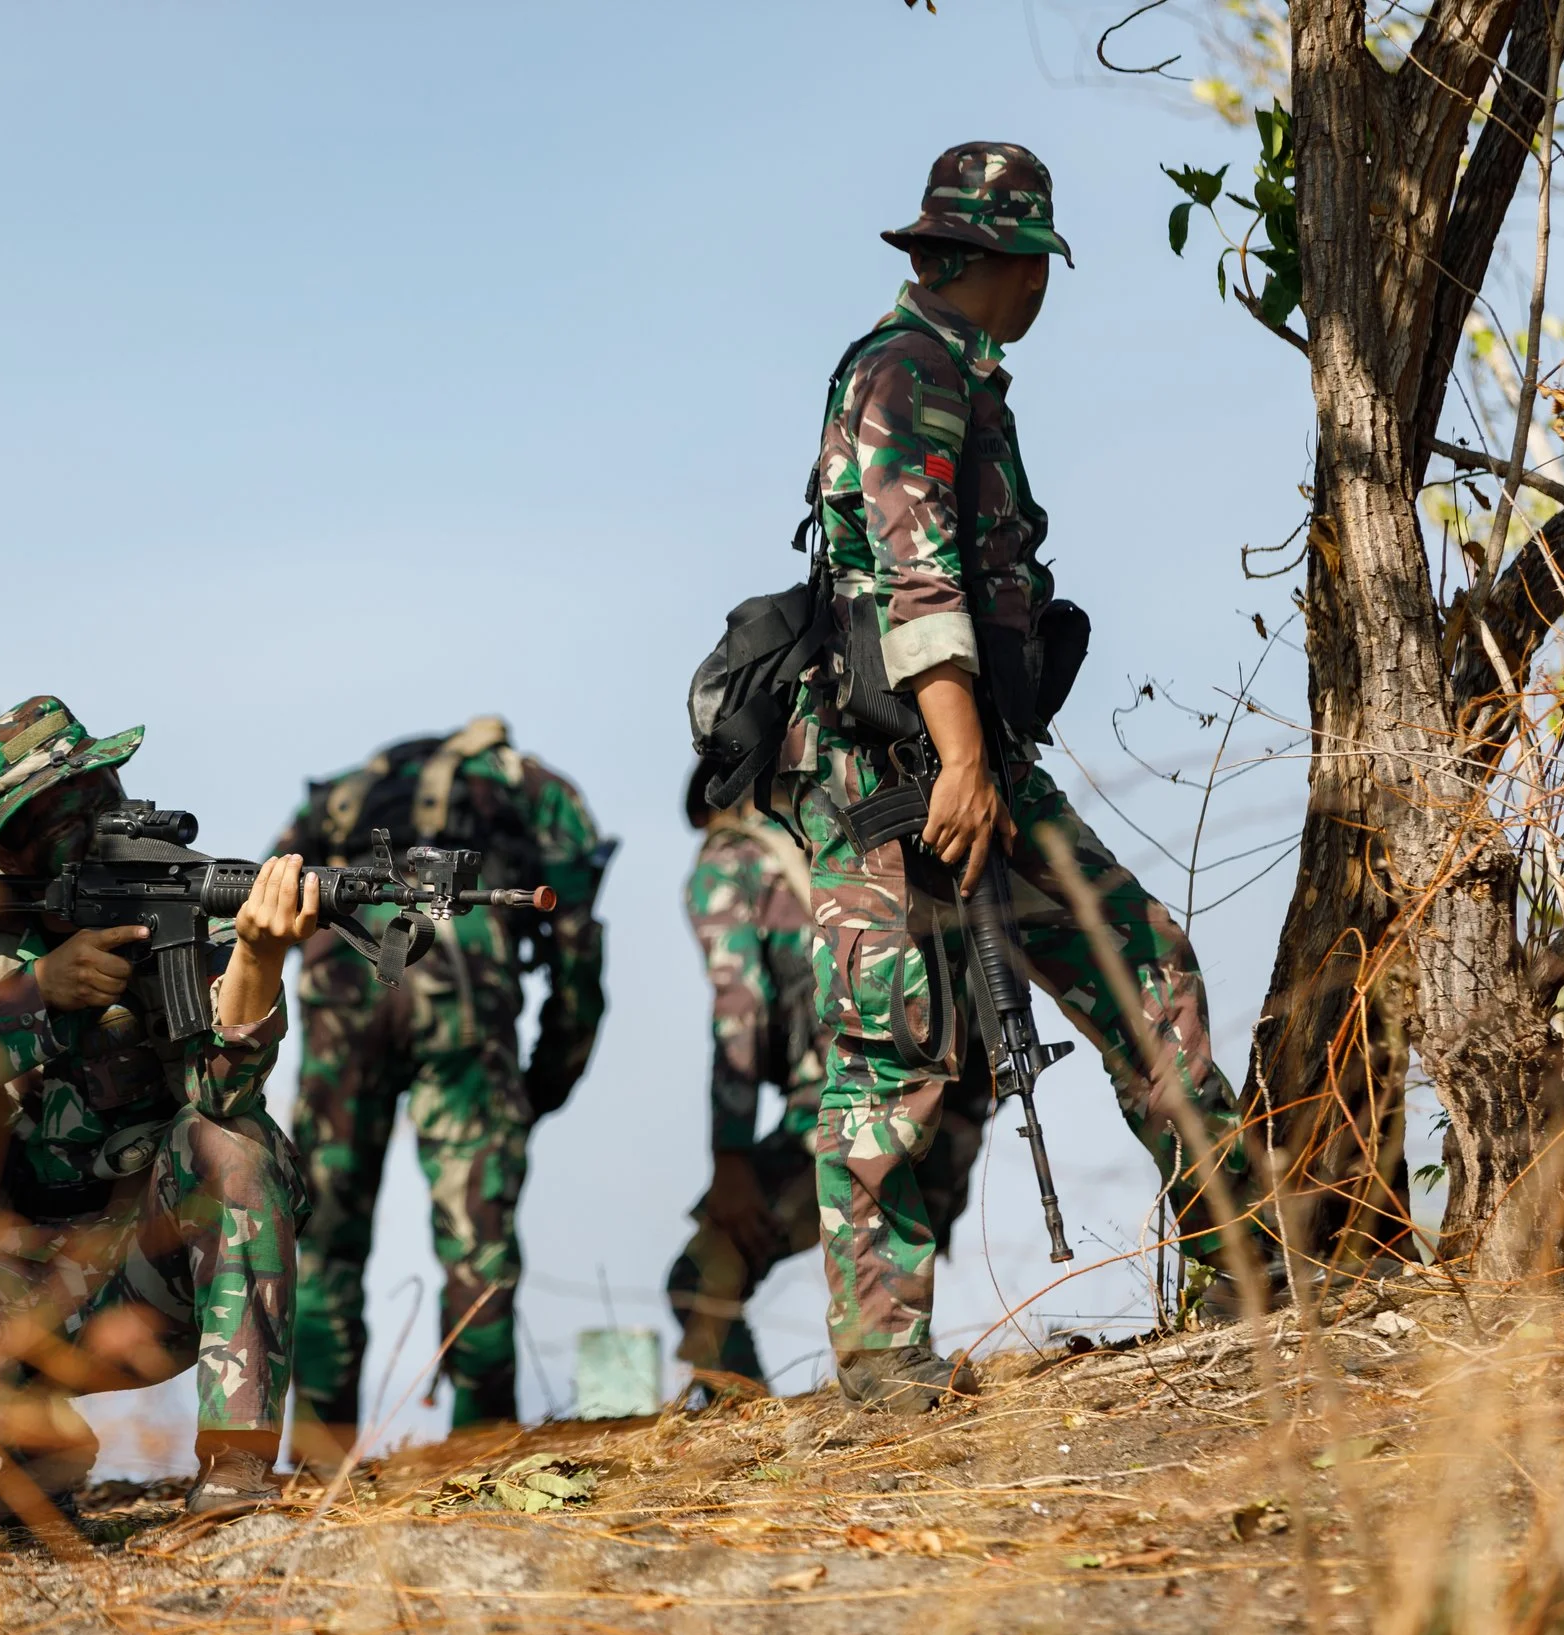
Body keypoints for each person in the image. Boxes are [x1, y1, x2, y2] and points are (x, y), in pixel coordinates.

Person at [771, 142, 1255, 1413]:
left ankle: (1239, 1276)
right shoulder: (909, 371)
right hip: (900, 771)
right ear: (986, 262)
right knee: (897, 1056)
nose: (1041, 291)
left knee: (1144, 964)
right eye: (1032, 264)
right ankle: (881, 1368)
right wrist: (967, 757)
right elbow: (913, 572)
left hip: (968, 756)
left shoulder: (954, 371)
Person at [0, 696, 317, 1521]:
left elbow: (227, 1102)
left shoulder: (174, 913)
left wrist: (259, 958)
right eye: (41, 820)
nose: (76, 831)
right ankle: (43, 1447)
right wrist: (39, 998)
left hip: (150, 1270)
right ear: (8, 848)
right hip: (16, 1278)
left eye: (90, 799)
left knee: (234, 1147)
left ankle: (237, 1463)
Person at [273, 718, 610, 1443]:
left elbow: (266, 902)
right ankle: (479, 1448)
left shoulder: (341, 794)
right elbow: (579, 947)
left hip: (345, 964)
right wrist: (542, 1085)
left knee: (326, 1233)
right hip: (462, 965)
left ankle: (317, 1456)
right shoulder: (534, 785)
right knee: (476, 1239)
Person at [665, 759, 989, 1389]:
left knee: (699, 1281)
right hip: (955, 1093)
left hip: (847, 1097)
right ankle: (910, 1378)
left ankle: (750, 1426)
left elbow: (741, 1010)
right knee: (887, 1262)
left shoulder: (728, 859)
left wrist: (730, 1157)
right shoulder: (846, 832)